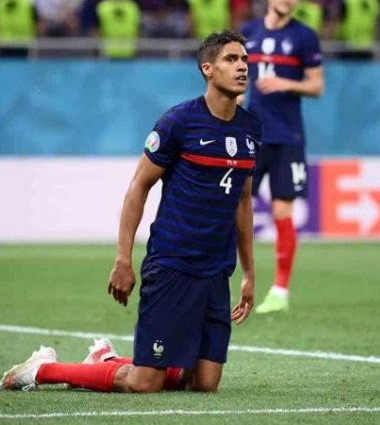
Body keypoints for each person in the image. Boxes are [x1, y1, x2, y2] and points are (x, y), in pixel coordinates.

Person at [0, 29, 262, 394]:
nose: (242, 67)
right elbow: (138, 188)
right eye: (231, 60)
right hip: (172, 264)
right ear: (208, 69)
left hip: (216, 271)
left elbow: (244, 201)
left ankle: (106, 362)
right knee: (144, 383)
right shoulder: (178, 123)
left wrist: (249, 272)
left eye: (245, 60)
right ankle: (44, 370)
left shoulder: (251, 128)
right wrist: (123, 258)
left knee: (204, 383)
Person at [240, 0, 324, 314]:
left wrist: (286, 84)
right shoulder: (248, 32)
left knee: (282, 211)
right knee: (235, 207)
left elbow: (317, 86)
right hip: (250, 135)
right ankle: (231, 279)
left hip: (288, 136)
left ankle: (279, 290)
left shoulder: (304, 36)